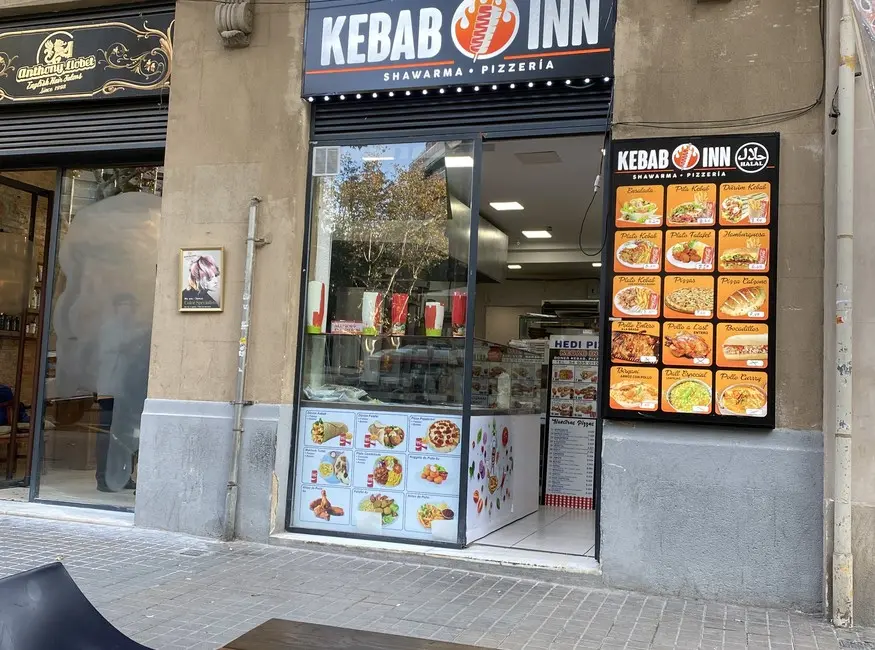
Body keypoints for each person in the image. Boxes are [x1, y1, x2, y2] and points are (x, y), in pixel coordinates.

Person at [95, 293, 144, 492]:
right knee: (107, 435)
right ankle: (103, 477)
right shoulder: (109, 328)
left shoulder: (132, 328)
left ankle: (123, 476)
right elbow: (120, 347)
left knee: (125, 436)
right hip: (110, 389)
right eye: (125, 304)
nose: (129, 309)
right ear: (117, 307)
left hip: (128, 390)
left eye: (132, 305)